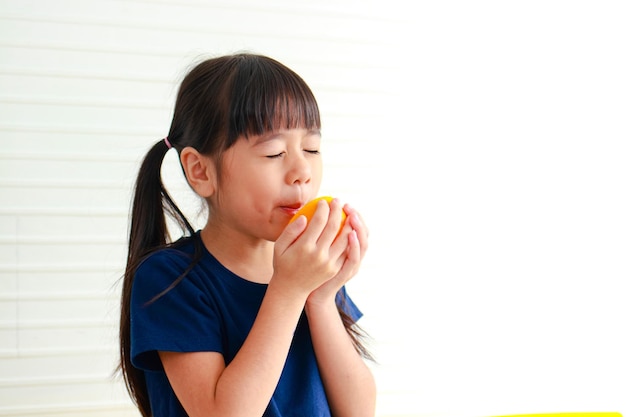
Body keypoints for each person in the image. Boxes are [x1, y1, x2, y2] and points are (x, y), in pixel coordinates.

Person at [118, 52, 376, 417]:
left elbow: (358, 410)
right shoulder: (170, 278)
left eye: (312, 148)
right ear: (200, 171)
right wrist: (289, 290)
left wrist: (321, 297)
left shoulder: (308, 268)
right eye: (274, 153)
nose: (302, 170)